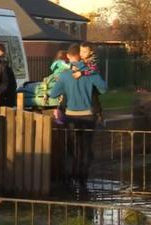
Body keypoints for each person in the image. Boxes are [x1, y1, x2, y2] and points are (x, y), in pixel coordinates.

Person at [48, 43, 107, 190]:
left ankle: (71, 177)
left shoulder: (65, 75)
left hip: (71, 116)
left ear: (68, 56)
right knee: (86, 149)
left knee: (73, 148)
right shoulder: (90, 72)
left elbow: (53, 94)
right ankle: (83, 180)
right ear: (80, 55)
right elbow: (104, 89)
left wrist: (65, 88)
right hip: (88, 116)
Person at [71, 42, 104, 125]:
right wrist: (74, 68)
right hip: (85, 81)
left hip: (93, 82)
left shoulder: (93, 59)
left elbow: (93, 70)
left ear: (91, 52)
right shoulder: (82, 59)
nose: (81, 54)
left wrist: (81, 73)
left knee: (93, 96)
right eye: (81, 51)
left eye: (85, 52)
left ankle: (98, 114)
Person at [0, 43, 17, 107]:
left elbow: (11, 84)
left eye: (2, 57)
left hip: (4, 102)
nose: (0, 59)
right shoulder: (2, 66)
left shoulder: (5, 67)